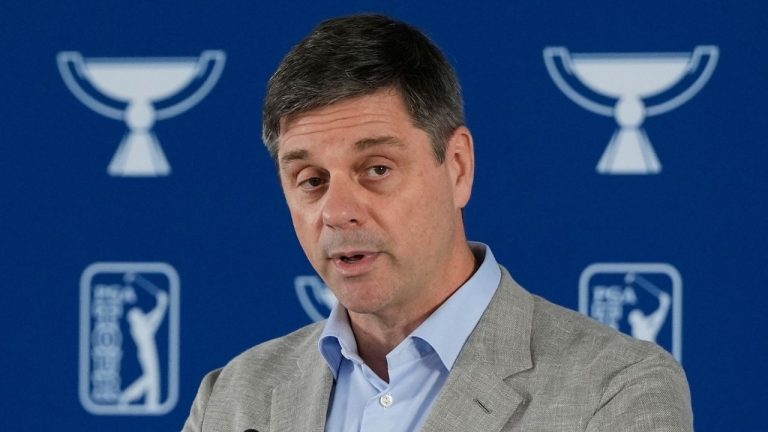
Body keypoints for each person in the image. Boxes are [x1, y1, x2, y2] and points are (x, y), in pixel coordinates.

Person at [183, 14, 692, 432]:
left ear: (458, 167)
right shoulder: (232, 398)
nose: (337, 212)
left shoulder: (616, 388)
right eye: (311, 179)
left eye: (376, 169)